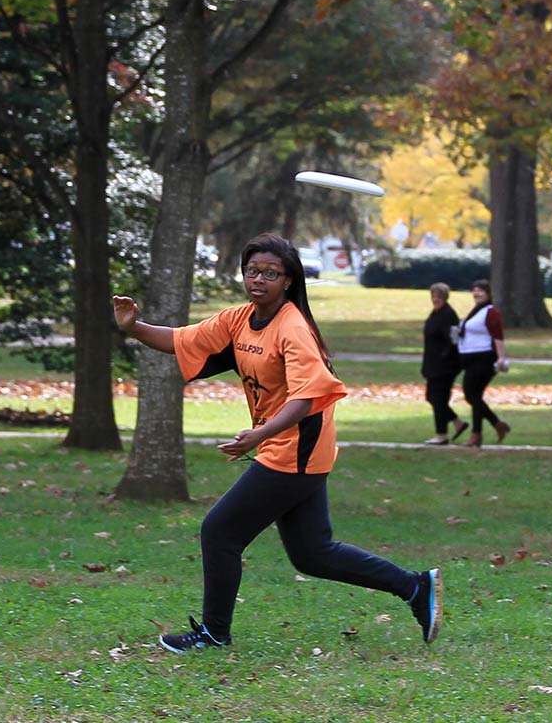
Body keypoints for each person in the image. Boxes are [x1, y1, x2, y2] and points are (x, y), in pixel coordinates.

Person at [110, 233, 440, 652]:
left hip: (296, 448)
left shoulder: (293, 328)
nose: (258, 279)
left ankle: (214, 633)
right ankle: (415, 587)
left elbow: (304, 399)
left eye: (270, 273)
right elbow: (181, 340)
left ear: (288, 280)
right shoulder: (240, 319)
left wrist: (259, 434)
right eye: (252, 271)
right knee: (313, 554)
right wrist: (133, 327)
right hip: (286, 446)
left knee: (220, 531)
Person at [455, 279, 510, 447]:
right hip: (470, 358)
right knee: (474, 396)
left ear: (488, 294)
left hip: (484, 359)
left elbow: (498, 335)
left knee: (471, 395)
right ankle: (492, 427)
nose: (477, 293)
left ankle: (479, 433)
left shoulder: (491, 312)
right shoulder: (476, 312)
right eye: (475, 290)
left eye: (481, 291)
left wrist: (501, 357)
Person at [421, 283, 466, 445]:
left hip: (444, 366)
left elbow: (453, 340)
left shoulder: (448, 314)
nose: (435, 299)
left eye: (439, 297)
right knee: (432, 397)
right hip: (433, 364)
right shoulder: (435, 313)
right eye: (433, 296)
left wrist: (444, 358)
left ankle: (442, 434)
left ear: (445, 298)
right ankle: (457, 422)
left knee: (438, 398)